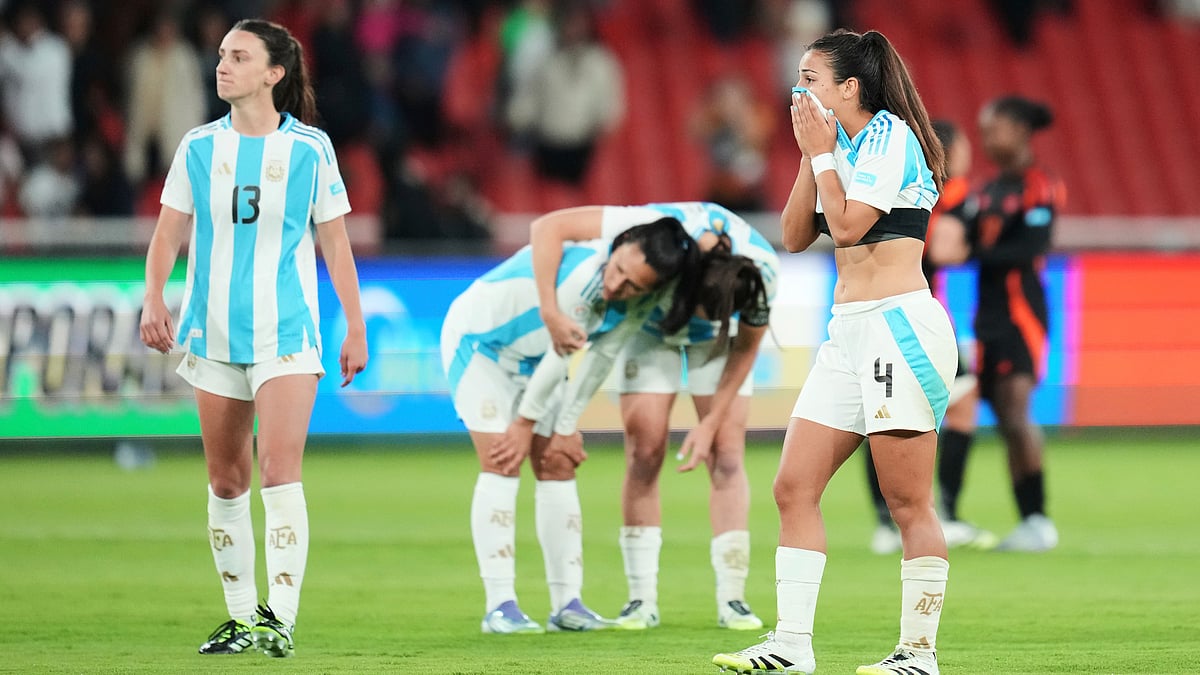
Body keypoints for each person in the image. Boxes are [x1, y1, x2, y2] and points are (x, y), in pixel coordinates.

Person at [713, 29, 956, 675]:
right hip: (847, 331)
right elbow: (796, 235)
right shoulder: (837, 145)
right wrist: (809, 155)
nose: (799, 89)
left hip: (898, 327)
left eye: (811, 78)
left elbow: (849, 226)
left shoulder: (889, 137)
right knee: (793, 486)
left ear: (850, 86)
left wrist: (823, 156)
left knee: (908, 502)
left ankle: (919, 653)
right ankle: (791, 644)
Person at [139, 19, 368, 658]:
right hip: (211, 336)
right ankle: (240, 618)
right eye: (221, 56)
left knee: (277, 471)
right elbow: (167, 233)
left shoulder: (310, 150)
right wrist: (154, 294)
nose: (222, 66)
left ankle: (279, 619)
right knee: (225, 481)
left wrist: (354, 323)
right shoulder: (196, 147)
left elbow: (335, 242)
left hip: (286, 333)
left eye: (238, 57)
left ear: (274, 74)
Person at [441, 216, 701, 635]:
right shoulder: (582, 276)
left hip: (535, 359)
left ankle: (567, 605)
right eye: (618, 270)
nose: (617, 287)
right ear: (620, 244)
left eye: (634, 285)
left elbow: (599, 357)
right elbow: (561, 355)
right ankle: (499, 607)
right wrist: (527, 422)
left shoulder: (642, 302)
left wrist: (565, 425)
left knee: (559, 463)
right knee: (502, 459)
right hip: (481, 344)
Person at [528, 202, 778, 631]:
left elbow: (746, 348)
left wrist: (709, 423)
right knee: (644, 450)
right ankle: (641, 599)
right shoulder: (657, 236)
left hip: (718, 345)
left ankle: (732, 598)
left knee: (728, 455)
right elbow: (548, 225)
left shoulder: (761, 277)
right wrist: (550, 310)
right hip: (650, 329)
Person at [864, 119, 996, 555]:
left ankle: (885, 523)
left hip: (870, 308)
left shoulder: (888, 181)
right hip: (918, 314)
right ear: (950, 151)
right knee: (960, 407)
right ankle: (949, 514)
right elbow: (943, 250)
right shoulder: (951, 190)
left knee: (881, 413)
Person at [963, 95, 1065, 552]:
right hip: (987, 314)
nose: (988, 140)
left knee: (1016, 410)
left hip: (1022, 313)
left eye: (995, 129)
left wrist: (971, 253)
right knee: (1004, 417)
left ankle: (1039, 519)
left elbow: (1031, 248)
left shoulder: (1039, 185)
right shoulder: (985, 189)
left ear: (1021, 131)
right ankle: (1028, 519)